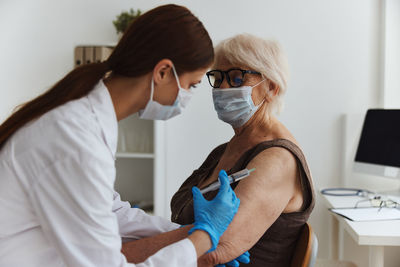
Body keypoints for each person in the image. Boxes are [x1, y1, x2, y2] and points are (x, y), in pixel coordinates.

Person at [0, 5, 243, 267]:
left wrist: (187, 233)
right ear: (163, 72)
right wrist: (204, 237)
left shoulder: (88, 121)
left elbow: (112, 211)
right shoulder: (75, 140)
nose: (189, 95)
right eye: (192, 85)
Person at [170, 34, 315, 267]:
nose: (223, 88)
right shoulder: (226, 149)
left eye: (237, 79)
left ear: (271, 88)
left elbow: (213, 254)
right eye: (218, 79)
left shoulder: (277, 160)